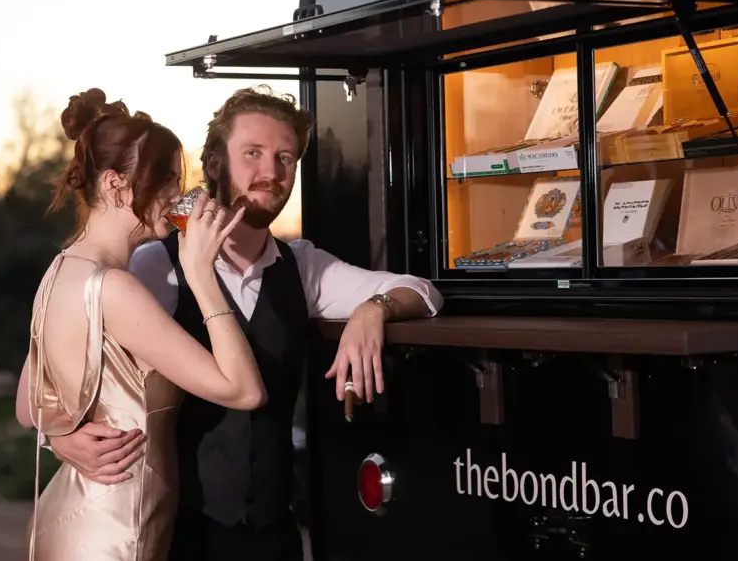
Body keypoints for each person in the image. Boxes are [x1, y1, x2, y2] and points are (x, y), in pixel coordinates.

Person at [45, 85, 444, 561]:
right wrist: (58, 435)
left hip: (273, 536)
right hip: (178, 533)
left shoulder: (303, 266)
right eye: (252, 153)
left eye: (285, 158)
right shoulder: (154, 264)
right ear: (213, 163)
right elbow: (47, 369)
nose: (271, 172)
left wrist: (373, 308)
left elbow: (424, 290)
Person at [14, 88, 270, 561]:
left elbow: (28, 408)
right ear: (115, 184)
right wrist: (201, 275)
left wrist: (60, 437)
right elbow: (244, 391)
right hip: (118, 531)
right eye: (167, 181)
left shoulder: (58, 273)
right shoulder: (117, 289)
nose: (179, 197)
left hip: (77, 517)